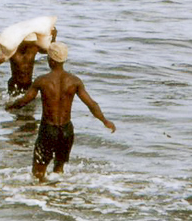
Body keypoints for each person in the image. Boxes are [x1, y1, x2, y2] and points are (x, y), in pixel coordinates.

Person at [6, 42, 115, 181]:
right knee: (58, 171)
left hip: (48, 130)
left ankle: (40, 192)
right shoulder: (74, 81)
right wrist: (105, 121)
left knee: (38, 172)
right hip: (66, 131)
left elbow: (24, 101)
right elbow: (92, 104)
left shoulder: (42, 81)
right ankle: (57, 192)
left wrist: (10, 106)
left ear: (51, 60)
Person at [4, 26, 58, 95]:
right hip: (15, 83)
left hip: (28, 83)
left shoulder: (33, 48)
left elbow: (50, 50)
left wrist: (53, 37)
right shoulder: (13, 50)